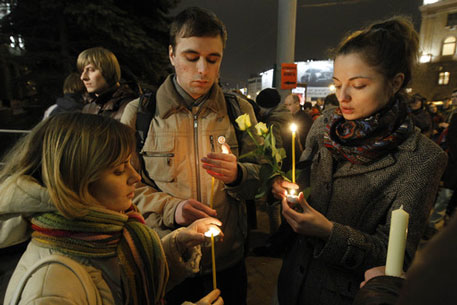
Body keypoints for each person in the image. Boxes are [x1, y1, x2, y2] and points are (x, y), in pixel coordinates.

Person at [271, 16, 447, 305]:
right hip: (291, 282)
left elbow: (394, 257)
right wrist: (284, 189)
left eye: (359, 85)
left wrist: (328, 232)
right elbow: (302, 182)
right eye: (337, 84)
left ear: (395, 82)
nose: (343, 97)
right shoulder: (325, 125)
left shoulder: (421, 158)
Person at [1, 113, 223, 305]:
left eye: (130, 164)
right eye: (119, 170)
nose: (135, 177)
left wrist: (177, 244)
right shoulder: (51, 288)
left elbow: (119, 280)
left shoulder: (96, 238)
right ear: (78, 182)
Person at [121, 7, 259, 305]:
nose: (202, 70)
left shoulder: (240, 112)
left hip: (227, 262)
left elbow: (261, 180)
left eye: (213, 59)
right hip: (165, 260)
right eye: (191, 57)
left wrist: (239, 175)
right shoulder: (140, 114)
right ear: (172, 55)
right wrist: (173, 208)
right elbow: (121, 187)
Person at [78, 47, 137, 120]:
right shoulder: (87, 109)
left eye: (91, 70)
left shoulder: (130, 106)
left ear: (108, 71)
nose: (83, 77)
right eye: (82, 71)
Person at [284, 93, 314, 158]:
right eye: (285, 105)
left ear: (297, 104)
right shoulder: (287, 117)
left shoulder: (305, 118)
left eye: (289, 105)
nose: (287, 108)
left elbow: (305, 137)